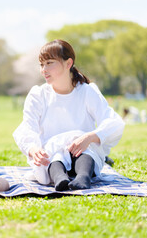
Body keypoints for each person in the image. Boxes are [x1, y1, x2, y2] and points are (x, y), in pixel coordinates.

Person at [13, 39, 125, 191]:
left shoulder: (87, 91)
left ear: (68, 63)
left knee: (86, 151)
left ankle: (83, 177)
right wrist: (33, 149)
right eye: (42, 64)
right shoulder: (38, 95)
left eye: (50, 63)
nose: (44, 69)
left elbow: (113, 122)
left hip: (83, 153)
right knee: (53, 153)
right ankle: (60, 179)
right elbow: (27, 127)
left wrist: (90, 137)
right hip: (52, 157)